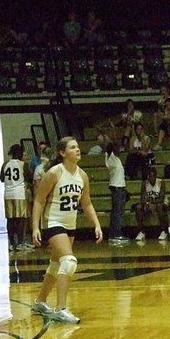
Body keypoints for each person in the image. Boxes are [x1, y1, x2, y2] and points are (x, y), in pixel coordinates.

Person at [30, 137, 103, 323]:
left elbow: (86, 203)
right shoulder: (55, 172)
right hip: (53, 222)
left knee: (56, 265)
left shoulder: (82, 176)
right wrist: (35, 228)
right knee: (69, 262)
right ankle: (61, 308)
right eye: (73, 147)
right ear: (63, 153)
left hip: (70, 225)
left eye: (78, 146)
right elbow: (39, 200)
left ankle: (40, 301)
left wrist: (96, 223)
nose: (78, 149)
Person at [0, 144, 32, 252]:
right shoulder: (23, 164)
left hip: (8, 194)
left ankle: (11, 243)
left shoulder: (5, 164)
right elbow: (29, 178)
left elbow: (1, 179)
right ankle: (20, 243)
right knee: (21, 219)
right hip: (20, 194)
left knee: (10, 219)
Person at [134, 167, 169, 241]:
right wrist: (146, 203)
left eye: (153, 176)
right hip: (150, 203)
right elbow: (142, 198)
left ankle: (163, 231)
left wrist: (151, 202)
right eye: (149, 176)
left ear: (156, 176)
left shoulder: (161, 182)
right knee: (138, 208)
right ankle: (141, 232)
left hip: (161, 203)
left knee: (159, 206)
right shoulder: (144, 183)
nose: (151, 178)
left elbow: (161, 198)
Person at [105, 142, 129, 245]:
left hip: (119, 188)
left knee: (116, 213)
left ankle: (113, 235)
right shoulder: (113, 158)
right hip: (117, 189)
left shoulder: (113, 159)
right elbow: (114, 147)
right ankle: (116, 235)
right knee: (118, 214)